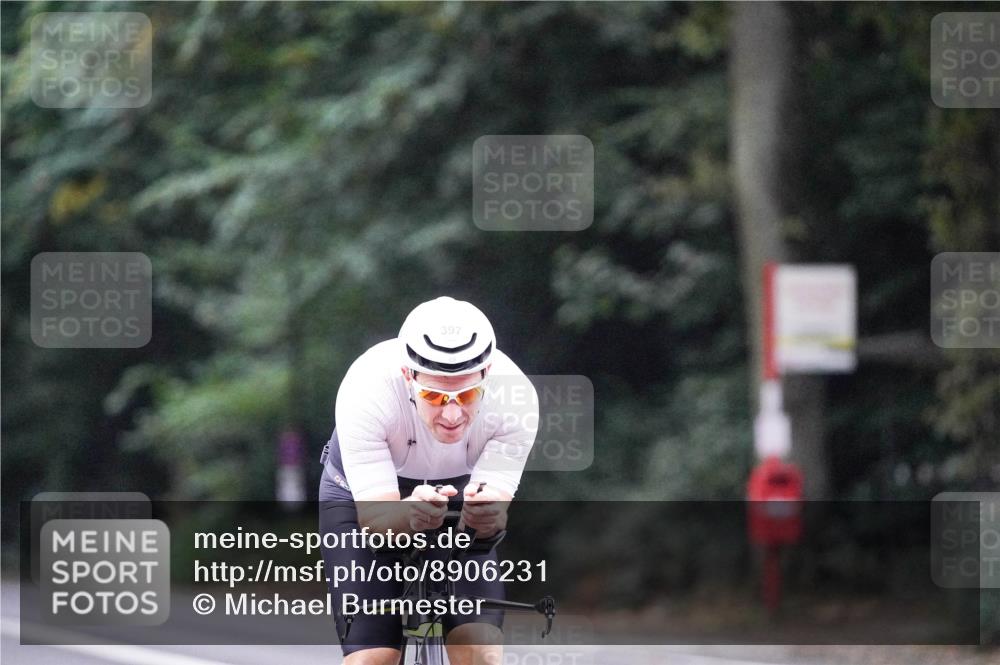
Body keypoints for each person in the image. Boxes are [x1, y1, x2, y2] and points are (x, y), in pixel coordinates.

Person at [319, 296, 538, 665]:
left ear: (486, 376)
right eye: (434, 395)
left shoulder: (517, 399)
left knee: (480, 651)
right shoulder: (366, 387)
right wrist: (408, 515)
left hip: (458, 490)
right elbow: (375, 520)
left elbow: (491, 520)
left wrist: (486, 515)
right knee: (373, 658)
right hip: (360, 494)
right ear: (408, 376)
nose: (452, 413)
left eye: (466, 395)